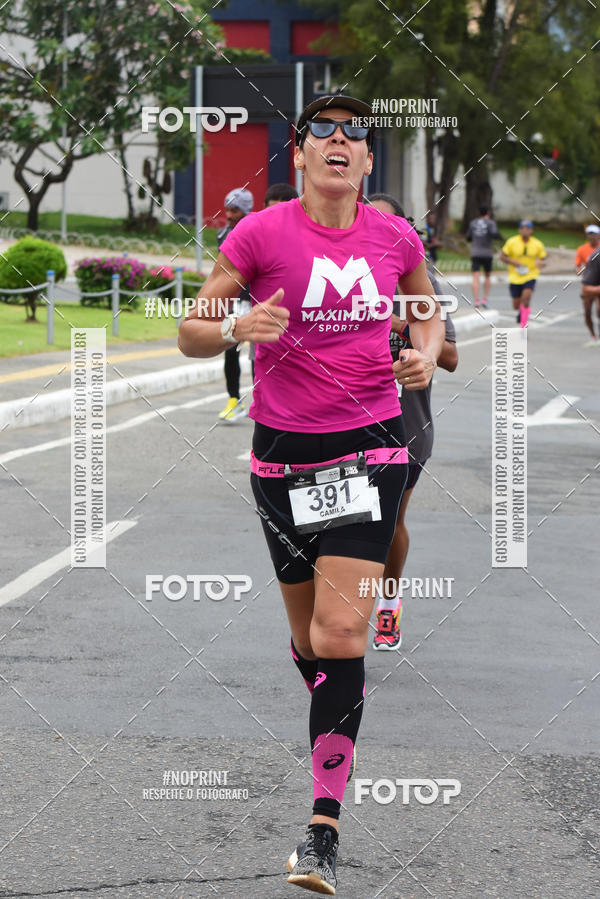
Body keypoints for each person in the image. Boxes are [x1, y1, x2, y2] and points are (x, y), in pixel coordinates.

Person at [178, 94, 444, 895]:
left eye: (355, 132)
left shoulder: (396, 237)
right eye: (322, 129)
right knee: (311, 642)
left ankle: (321, 831)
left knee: (340, 631)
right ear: (298, 153)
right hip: (283, 461)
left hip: (372, 448)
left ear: (367, 158)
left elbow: (427, 313)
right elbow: (191, 330)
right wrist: (234, 328)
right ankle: (336, 693)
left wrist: (423, 352)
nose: (339, 139)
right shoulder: (260, 234)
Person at [366, 195, 458, 650]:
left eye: (390, 223)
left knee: (389, 518)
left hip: (406, 425)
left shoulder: (418, 283)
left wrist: (400, 326)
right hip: (344, 422)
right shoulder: (345, 278)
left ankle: (387, 602)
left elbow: (451, 356)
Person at [216, 187, 254, 421]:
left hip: (258, 301)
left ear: (246, 211)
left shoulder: (258, 232)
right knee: (230, 350)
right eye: (227, 209)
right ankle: (233, 400)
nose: (229, 215)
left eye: (235, 210)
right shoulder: (222, 234)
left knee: (259, 354)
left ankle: (262, 401)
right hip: (234, 303)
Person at [500, 219, 547, 328]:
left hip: (530, 275)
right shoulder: (512, 242)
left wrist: (541, 263)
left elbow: (543, 259)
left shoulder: (537, 244)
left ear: (531, 230)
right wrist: (513, 262)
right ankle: (520, 312)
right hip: (515, 276)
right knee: (516, 304)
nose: (525, 231)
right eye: (522, 228)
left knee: (526, 298)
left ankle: (523, 325)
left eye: (527, 228)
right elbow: (502, 256)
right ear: (519, 230)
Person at [466, 205, 502, 308]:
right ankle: (485, 299)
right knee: (487, 276)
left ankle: (476, 301)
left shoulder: (473, 223)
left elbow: (468, 237)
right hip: (487, 253)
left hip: (475, 252)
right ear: (489, 212)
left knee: (475, 277)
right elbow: (494, 234)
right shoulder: (491, 223)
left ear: (478, 213)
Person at [575, 225, 600, 345]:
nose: (592, 236)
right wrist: (580, 271)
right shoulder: (582, 249)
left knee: (599, 310)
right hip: (589, 279)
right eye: (590, 234)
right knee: (587, 312)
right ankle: (593, 336)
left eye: (594, 234)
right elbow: (577, 265)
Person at [580, 244, 600, 347]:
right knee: (587, 312)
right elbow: (585, 289)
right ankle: (593, 336)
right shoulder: (596, 257)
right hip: (592, 285)